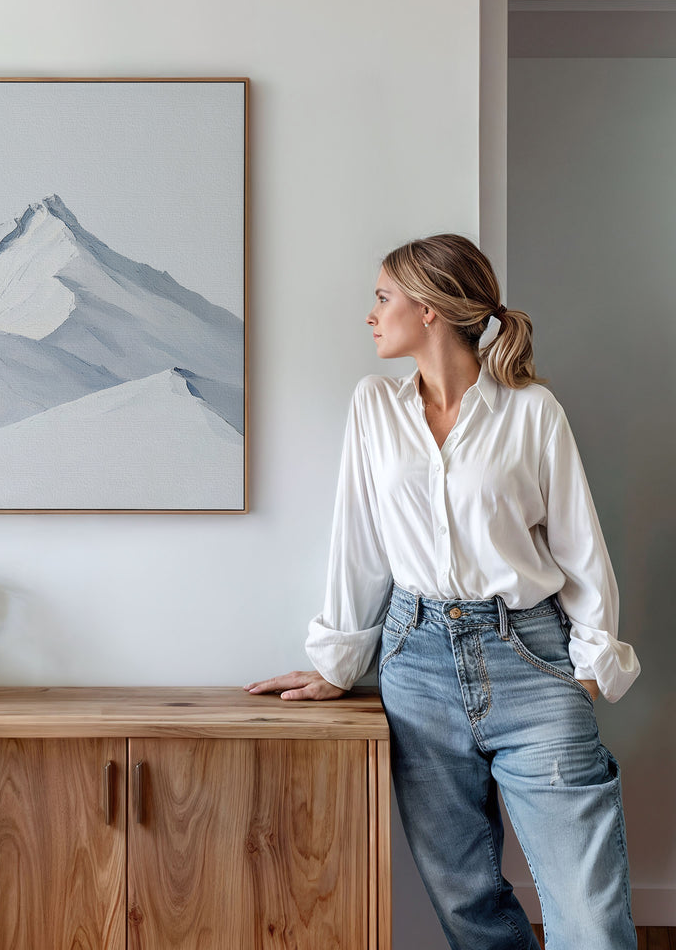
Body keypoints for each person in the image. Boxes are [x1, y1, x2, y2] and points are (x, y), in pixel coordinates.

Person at [246, 234, 640, 950]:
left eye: (382, 297)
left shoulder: (532, 412)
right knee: (467, 905)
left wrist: (588, 667)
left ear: (429, 310)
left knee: (589, 915)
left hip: (531, 655)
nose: (371, 314)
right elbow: (357, 542)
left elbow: (581, 548)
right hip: (415, 661)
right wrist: (339, 662)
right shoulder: (374, 407)